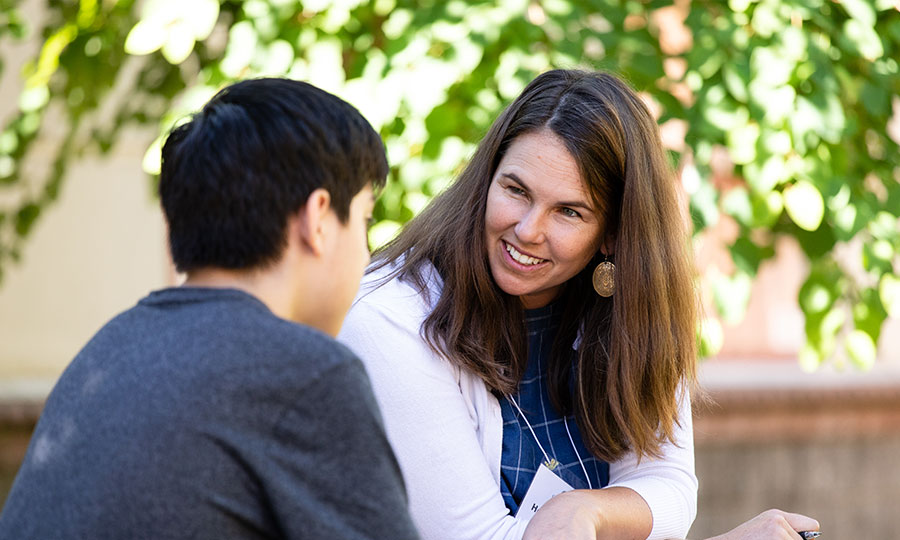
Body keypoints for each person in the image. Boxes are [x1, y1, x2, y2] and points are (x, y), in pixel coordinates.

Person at [0, 78, 421, 540]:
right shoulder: (304, 371)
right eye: (364, 219)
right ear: (318, 218)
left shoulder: (111, 345)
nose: (366, 254)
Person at [338, 69, 699, 540]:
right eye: (516, 190)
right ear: (488, 179)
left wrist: (586, 511)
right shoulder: (393, 319)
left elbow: (667, 482)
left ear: (613, 235)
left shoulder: (632, 309)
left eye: (569, 211)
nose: (528, 230)